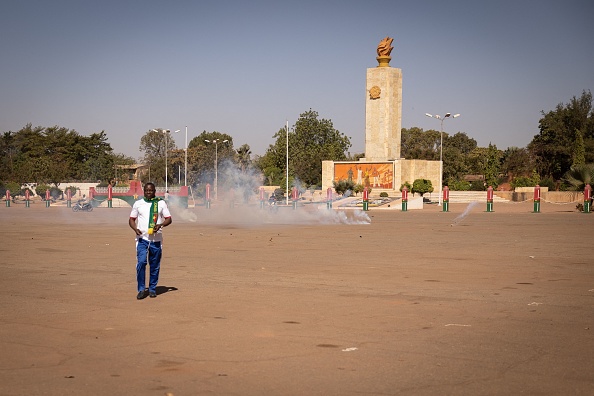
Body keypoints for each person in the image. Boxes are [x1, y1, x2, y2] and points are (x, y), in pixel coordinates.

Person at [129, 182, 172, 300]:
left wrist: (160, 225)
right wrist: (135, 229)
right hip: (142, 239)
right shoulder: (138, 204)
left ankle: (152, 289)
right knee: (141, 263)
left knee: (154, 265)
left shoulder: (161, 203)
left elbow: (169, 219)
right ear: (144, 191)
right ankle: (141, 289)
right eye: (147, 190)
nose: (149, 192)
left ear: (154, 191)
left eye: (151, 190)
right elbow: (131, 219)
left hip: (156, 240)